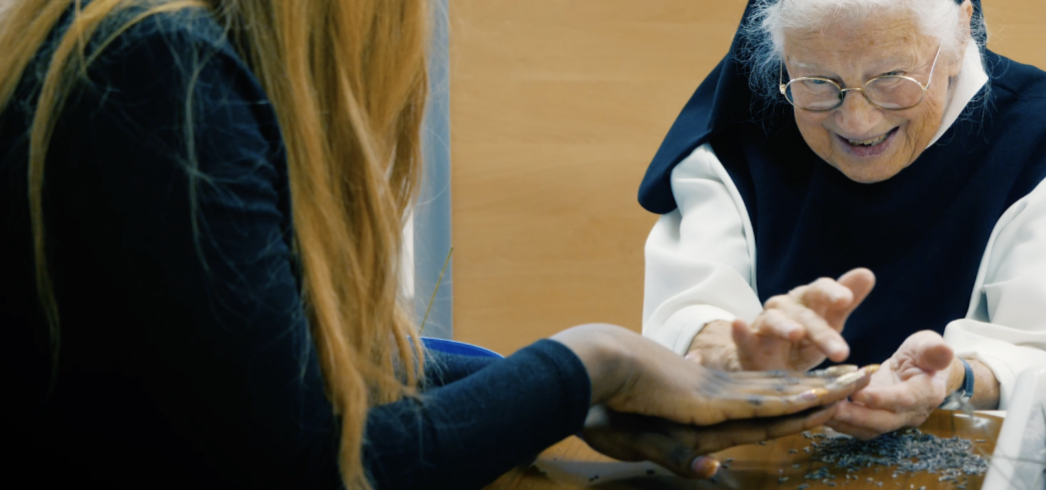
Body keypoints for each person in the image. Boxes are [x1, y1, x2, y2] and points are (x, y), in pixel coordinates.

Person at [0, 1, 874, 489]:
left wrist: (559, 397)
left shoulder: (139, 52)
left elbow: (274, 370)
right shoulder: (163, 75)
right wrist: (594, 365)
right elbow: (308, 460)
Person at [640, 0, 1046, 439]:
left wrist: (956, 380)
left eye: (891, 77)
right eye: (817, 82)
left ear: (960, 34)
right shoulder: (733, 137)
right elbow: (686, 308)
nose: (857, 121)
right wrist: (737, 355)